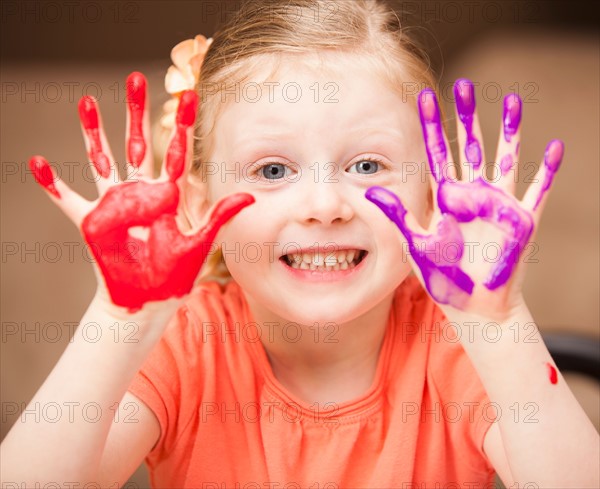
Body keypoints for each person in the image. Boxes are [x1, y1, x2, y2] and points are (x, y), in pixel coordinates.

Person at [1, 0, 598, 487]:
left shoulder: (453, 345)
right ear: (200, 201)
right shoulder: (190, 344)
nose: (324, 207)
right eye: (272, 171)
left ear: (431, 193)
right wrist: (119, 320)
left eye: (367, 165)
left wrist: (498, 329)